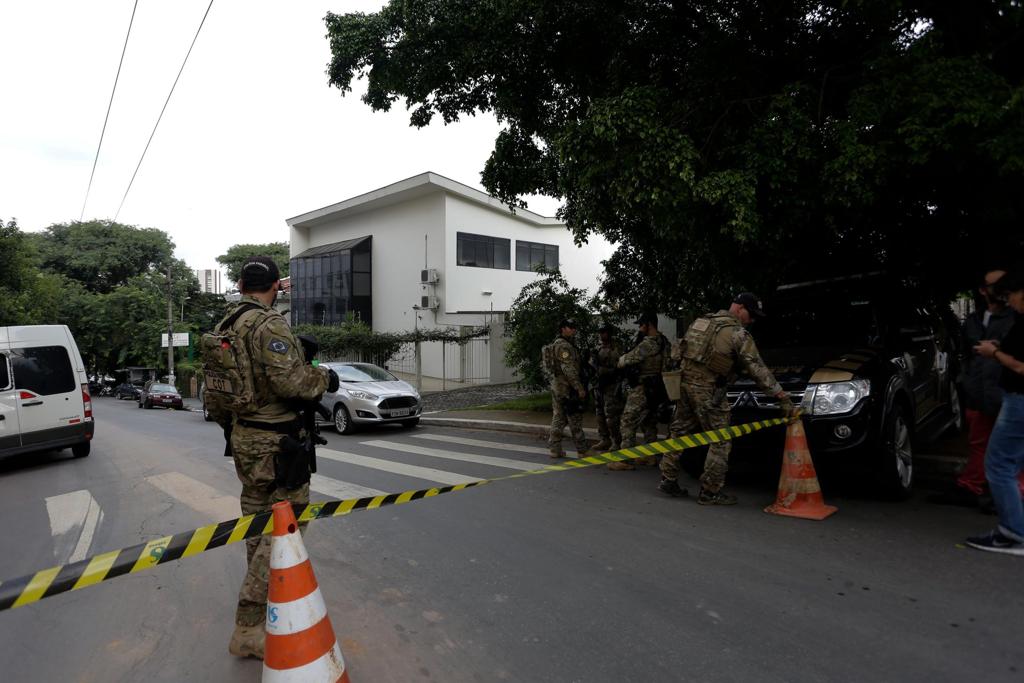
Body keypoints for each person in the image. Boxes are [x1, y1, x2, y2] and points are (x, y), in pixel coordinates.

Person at [221, 257, 337, 658]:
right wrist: (324, 377)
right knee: (286, 526)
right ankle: (249, 622)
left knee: (256, 524)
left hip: (243, 438)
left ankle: (266, 612)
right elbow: (293, 382)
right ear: (276, 287)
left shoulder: (225, 326)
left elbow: (217, 393)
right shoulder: (268, 324)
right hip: (276, 442)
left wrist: (237, 430)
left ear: (239, 285)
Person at [660, 293, 796, 503]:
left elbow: (679, 353)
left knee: (679, 432)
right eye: (751, 315)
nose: (751, 321)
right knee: (721, 439)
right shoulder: (737, 333)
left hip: (684, 385)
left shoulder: (701, 322)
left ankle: (667, 479)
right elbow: (757, 369)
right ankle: (710, 491)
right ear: (740, 308)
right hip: (708, 391)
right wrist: (781, 395)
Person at [931, 269, 1024, 508]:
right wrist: (967, 381)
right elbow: (966, 354)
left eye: (1007, 286)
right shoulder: (974, 320)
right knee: (981, 444)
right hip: (980, 394)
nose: (1003, 292)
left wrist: (995, 352)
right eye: (997, 286)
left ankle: (1013, 498)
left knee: (1011, 449)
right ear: (983, 290)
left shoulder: (1016, 318)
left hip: (1010, 393)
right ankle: (974, 486)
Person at [966, 270, 1024, 556]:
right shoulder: (979, 318)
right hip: (993, 395)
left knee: (999, 463)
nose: (1010, 301)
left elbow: (1020, 366)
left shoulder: (1017, 319)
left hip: (1017, 399)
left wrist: (995, 353)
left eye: (1011, 295)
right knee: (1006, 461)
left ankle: (1013, 533)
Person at [613, 313, 669, 470]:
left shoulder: (648, 343)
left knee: (627, 420)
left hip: (644, 387)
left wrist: (620, 361)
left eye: (641, 324)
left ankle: (625, 460)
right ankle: (650, 456)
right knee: (648, 422)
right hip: (658, 387)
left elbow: (629, 359)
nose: (639, 327)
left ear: (649, 324)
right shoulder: (664, 342)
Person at [547, 318, 591, 458]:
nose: (573, 329)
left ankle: (555, 449)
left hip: (558, 386)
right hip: (567, 388)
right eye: (570, 327)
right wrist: (579, 387)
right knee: (574, 417)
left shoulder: (560, 344)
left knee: (559, 417)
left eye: (574, 327)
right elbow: (568, 369)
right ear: (563, 329)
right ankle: (582, 450)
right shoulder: (563, 346)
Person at [591, 323, 624, 452]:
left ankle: (617, 441)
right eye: (600, 332)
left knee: (612, 415)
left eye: (604, 332)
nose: (601, 334)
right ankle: (604, 439)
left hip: (612, 385)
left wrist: (602, 368)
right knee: (599, 414)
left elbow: (619, 366)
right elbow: (594, 367)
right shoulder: (598, 348)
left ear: (609, 333)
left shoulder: (617, 348)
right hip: (599, 385)